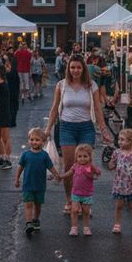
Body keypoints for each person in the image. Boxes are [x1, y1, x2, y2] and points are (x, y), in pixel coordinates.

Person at [43, 55, 108, 215]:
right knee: (69, 166)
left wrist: (103, 129)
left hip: (86, 127)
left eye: (78, 67)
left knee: (85, 167)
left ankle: (84, 202)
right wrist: (48, 128)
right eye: (72, 67)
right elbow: (54, 108)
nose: (75, 70)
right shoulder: (62, 85)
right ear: (68, 69)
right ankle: (70, 200)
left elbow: (98, 108)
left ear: (83, 68)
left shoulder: (91, 85)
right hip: (67, 128)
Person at [14, 127, 61, 236]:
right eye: (32, 139)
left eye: (37, 140)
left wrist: (56, 174)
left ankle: (36, 219)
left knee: (38, 205)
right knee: (28, 204)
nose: (34, 142)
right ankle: (28, 223)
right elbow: (20, 167)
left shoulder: (44, 155)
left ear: (43, 142)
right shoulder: (25, 155)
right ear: (28, 140)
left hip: (40, 185)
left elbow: (50, 166)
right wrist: (17, 179)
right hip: (28, 185)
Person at [108, 128, 132, 234]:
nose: (119, 142)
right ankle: (117, 224)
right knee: (119, 206)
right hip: (120, 184)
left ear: (131, 141)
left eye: (122, 139)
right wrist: (111, 164)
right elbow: (111, 165)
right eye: (119, 139)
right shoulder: (117, 152)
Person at [62, 143, 100, 236]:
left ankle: (86, 227)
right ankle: (74, 227)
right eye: (79, 156)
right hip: (76, 192)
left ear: (90, 157)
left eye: (85, 156)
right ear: (76, 157)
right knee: (74, 210)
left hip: (87, 193)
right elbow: (69, 173)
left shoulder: (91, 166)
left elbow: (98, 172)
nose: (82, 159)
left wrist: (94, 176)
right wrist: (61, 176)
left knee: (86, 211)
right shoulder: (75, 165)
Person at [4, 53, 20, 128]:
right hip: (14, 90)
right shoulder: (15, 71)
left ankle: (10, 121)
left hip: (10, 89)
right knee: (13, 106)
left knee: (10, 105)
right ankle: (12, 121)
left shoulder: (9, 70)